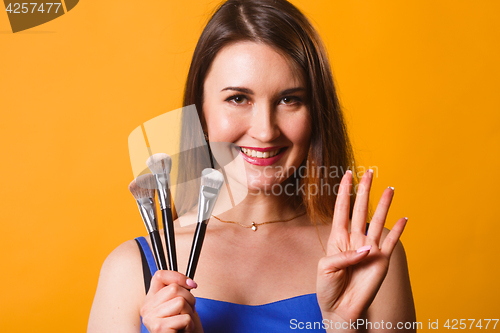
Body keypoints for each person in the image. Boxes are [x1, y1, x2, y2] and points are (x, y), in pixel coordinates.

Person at [88, 0, 416, 332]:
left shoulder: (367, 257)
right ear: (200, 112)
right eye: (238, 99)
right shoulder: (131, 270)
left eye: (289, 99)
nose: (264, 130)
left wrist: (340, 326)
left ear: (315, 112)